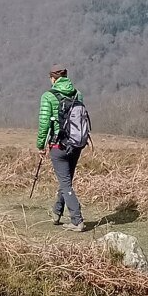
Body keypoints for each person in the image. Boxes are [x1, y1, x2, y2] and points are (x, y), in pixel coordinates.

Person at [36, 67, 88, 231]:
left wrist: (40, 145)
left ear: (53, 79)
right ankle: (57, 212)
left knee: (65, 183)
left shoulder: (48, 96)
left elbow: (44, 123)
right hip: (76, 144)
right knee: (66, 181)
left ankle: (77, 220)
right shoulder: (77, 94)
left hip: (58, 145)